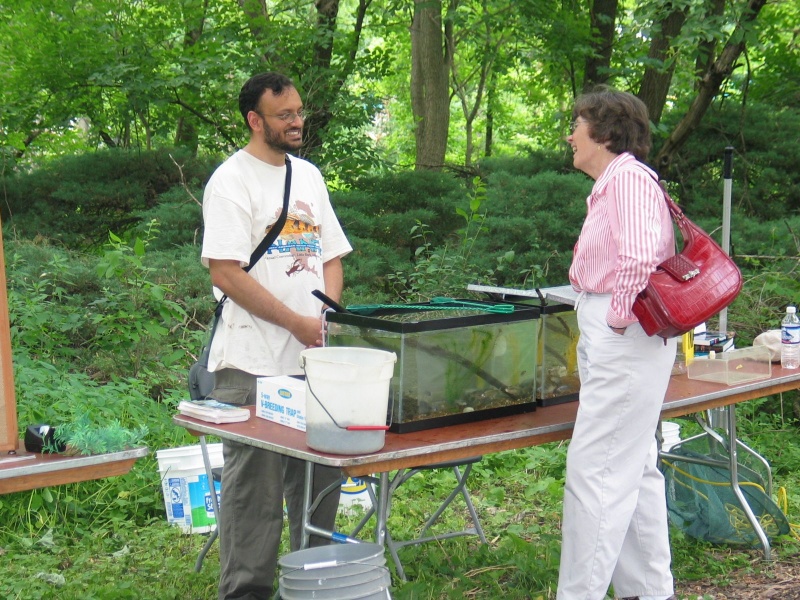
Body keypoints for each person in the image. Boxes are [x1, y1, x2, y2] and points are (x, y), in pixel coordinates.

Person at [201, 71, 352, 600]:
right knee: (254, 498)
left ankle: (314, 586)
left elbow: (331, 254)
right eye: (285, 114)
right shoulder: (230, 181)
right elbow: (225, 272)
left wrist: (328, 316)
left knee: (319, 484)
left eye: (299, 112)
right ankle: (247, 593)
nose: (297, 122)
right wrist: (296, 324)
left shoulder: (308, 176)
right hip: (251, 364)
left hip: (313, 363)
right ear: (255, 120)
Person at [558, 86, 678, 600]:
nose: (570, 136)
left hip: (623, 334)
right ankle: (649, 590)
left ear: (603, 133)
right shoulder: (617, 180)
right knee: (634, 466)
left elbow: (637, 256)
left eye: (577, 125)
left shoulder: (627, 177)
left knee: (595, 470)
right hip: (622, 333)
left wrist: (616, 317)